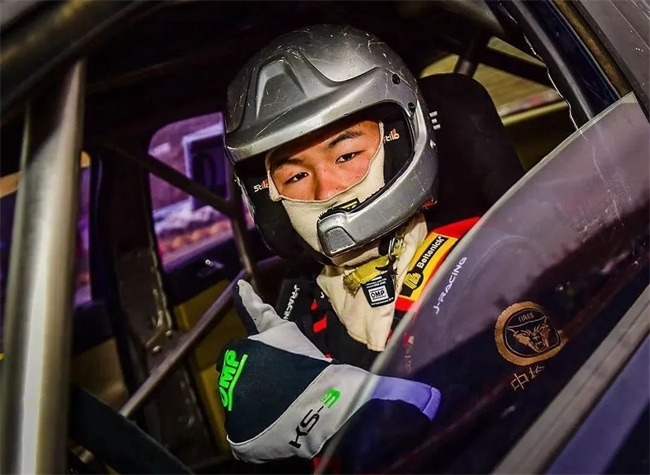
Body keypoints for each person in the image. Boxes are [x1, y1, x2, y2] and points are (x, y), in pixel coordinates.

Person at [215, 24, 480, 467]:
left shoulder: (483, 257)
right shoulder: (297, 308)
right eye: (296, 176)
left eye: (346, 156)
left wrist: (381, 423)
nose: (326, 190)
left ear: (399, 142)